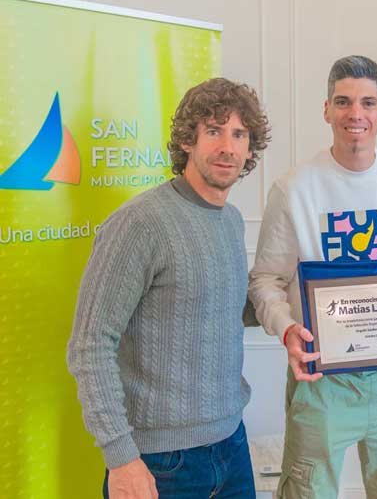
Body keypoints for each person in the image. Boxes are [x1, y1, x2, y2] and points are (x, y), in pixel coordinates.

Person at [248, 55, 377, 499]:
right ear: (326, 110)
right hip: (323, 381)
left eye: (367, 103)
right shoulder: (295, 187)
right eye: (343, 102)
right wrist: (287, 331)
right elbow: (265, 280)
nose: (354, 114)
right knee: (307, 491)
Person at [67, 77, 270, 499]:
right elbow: (90, 345)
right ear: (187, 142)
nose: (227, 147)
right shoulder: (139, 224)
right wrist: (121, 458)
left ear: (250, 148)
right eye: (213, 131)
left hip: (232, 445)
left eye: (239, 134)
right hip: (162, 462)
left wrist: (308, 301)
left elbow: (227, 307)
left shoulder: (230, 220)